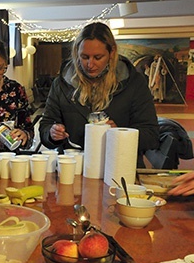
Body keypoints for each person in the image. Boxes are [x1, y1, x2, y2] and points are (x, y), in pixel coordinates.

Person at [39, 22, 159, 166]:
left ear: (112, 52)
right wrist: (52, 134)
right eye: (84, 57)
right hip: (75, 167)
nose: (90, 64)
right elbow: (46, 126)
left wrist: (119, 134)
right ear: (76, 52)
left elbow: (151, 135)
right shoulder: (62, 83)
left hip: (120, 166)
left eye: (98, 57)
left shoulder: (134, 83)